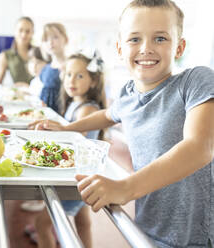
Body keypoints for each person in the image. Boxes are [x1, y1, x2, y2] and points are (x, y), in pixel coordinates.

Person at [29, 1, 214, 247]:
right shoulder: (128, 95)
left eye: (160, 38)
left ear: (179, 47)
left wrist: (126, 188)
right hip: (148, 228)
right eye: (134, 39)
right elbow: (107, 114)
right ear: (119, 48)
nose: (146, 48)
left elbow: (199, 147)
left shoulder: (195, 82)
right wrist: (66, 128)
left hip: (195, 238)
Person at [27, 51, 107, 248]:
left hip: (75, 180)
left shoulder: (87, 110)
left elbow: (76, 144)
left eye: (79, 75)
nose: (72, 80)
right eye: (68, 74)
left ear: (94, 81)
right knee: (83, 222)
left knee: (42, 223)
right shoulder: (75, 105)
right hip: (80, 177)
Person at [0, 16, 34, 87]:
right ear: (15, 31)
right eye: (20, 30)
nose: (24, 35)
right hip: (18, 96)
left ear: (32, 33)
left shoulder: (39, 53)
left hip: (37, 95)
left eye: (28, 31)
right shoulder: (6, 55)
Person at [39, 23, 68, 113]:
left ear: (66, 39)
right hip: (45, 114)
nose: (50, 42)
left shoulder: (70, 66)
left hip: (61, 114)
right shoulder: (45, 69)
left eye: (55, 37)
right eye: (46, 39)